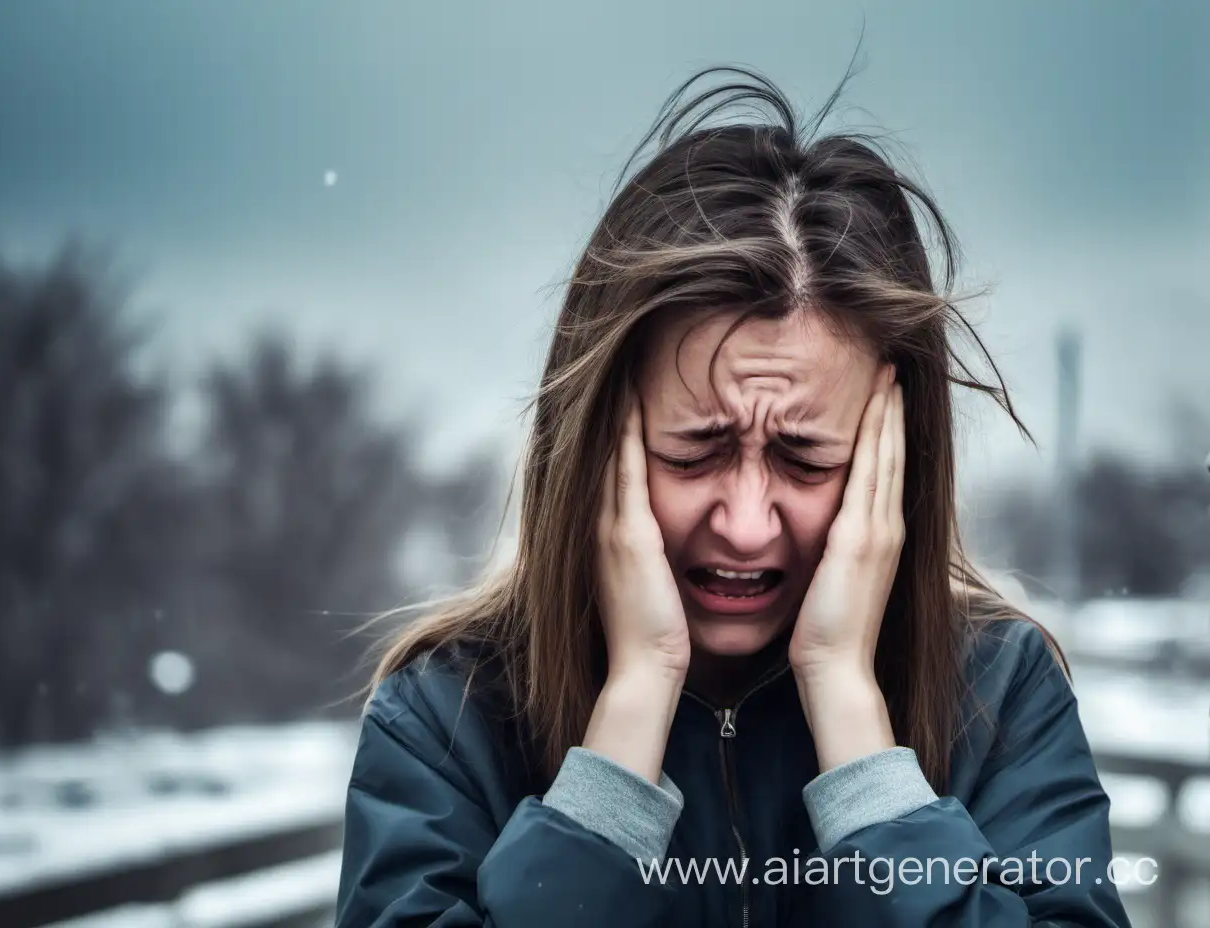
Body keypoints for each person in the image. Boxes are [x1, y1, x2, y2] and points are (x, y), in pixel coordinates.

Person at [334, 67, 1133, 927]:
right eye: (695, 451)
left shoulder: (998, 696)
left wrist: (860, 742)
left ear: (892, 457)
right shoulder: (449, 718)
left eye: (804, 459)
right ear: (595, 443)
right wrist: (625, 730)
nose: (745, 525)